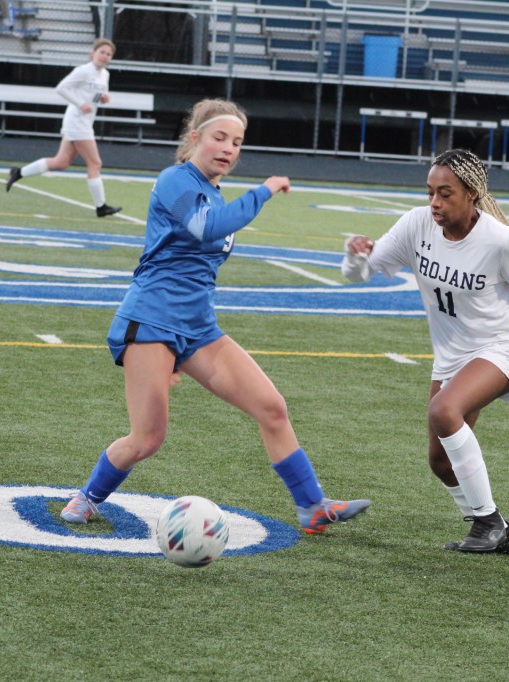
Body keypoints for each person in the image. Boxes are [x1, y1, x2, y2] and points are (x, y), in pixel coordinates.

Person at [58, 98, 371, 535]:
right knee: (147, 438)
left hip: (198, 327)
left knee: (273, 408)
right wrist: (263, 190)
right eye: (219, 137)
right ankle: (87, 496)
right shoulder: (175, 180)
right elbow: (206, 227)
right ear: (195, 138)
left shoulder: (212, 190)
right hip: (152, 320)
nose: (228, 148)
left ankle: (311, 506)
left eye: (237, 142)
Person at [341, 149, 509, 554]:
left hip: (502, 346)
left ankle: (487, 522)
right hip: (453, 353)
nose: (434, 202)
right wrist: (355, 255)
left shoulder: (499, 240)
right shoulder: (417, 224)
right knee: (439, 461)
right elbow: (360, 272)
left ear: (471, 194)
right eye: (430, 192)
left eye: (445, 193)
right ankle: (496, 530)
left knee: (443, 411)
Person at [4, 39, 122, 218]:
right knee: (95, 163)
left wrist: (103, 98)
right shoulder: (83, 70)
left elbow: (94, 95)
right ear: (93, 53)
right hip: (77, 122)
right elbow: (61, 88)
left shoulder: (105, 74)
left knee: (61, 162)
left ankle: (18, 172)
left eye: (108, 54)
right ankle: (101, 207)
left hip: (84, 122)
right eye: (102, 52)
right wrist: (80, 103)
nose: (105, 56)